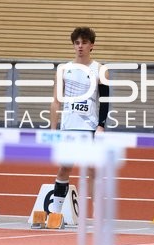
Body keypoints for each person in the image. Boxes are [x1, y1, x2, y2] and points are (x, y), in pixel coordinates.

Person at [47, 26, 109, 215]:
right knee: (64, 168)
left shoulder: (100, 69)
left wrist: (101, 125)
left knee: (92, 169)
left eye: (84, 43)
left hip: (89, 127)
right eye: (77, 43)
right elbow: (55, 101)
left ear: (92, 45)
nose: (80, 46)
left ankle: (97, 213)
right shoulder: (63, 69)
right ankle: (55, 213)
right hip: (68, 127)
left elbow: (105, 101)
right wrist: (53, 129)